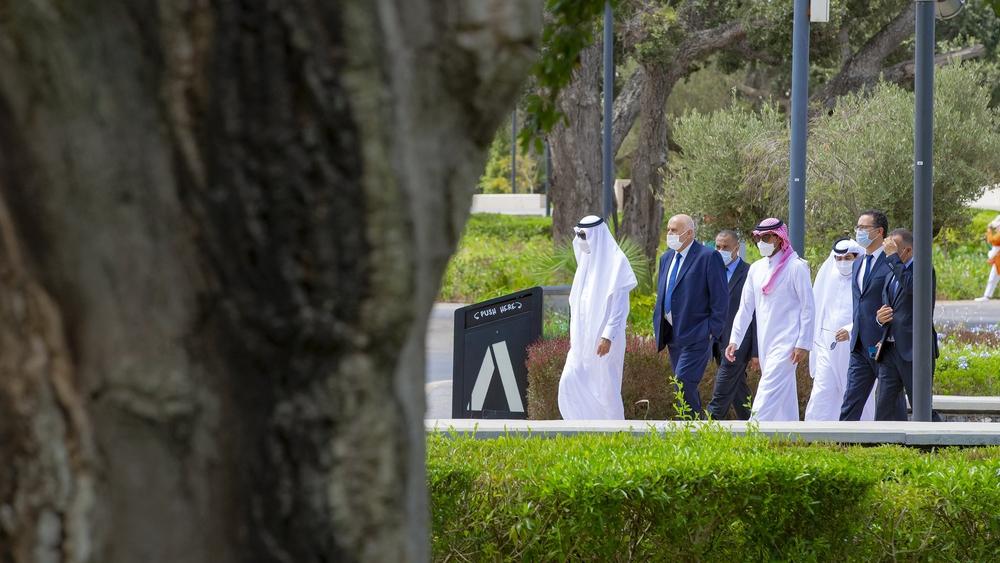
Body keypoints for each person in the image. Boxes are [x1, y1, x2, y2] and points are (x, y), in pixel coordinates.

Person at [726, 218, 814, 421]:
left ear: (778, 238)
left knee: (768, 388)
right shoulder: (756, 269)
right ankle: (790, 438)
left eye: (765, 237)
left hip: (788, 343)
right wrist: (734, 340)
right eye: (758, 238)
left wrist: (803, 343)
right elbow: (746, 308)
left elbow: (808, 308)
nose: (761, 242)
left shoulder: (796, 267)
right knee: (783, 395)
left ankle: (751, 434)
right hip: (766, 340)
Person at [558, 215, 638, 419]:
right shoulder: (585, 262)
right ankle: (579, 426)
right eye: (578, 235)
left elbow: (620, 308)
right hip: (582, 339)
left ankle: (614, 430)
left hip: (604, 340)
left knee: (605, 388)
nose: (580, 240)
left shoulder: (617, 262)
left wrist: (607, 337)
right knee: (571, 378)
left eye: (584, 236)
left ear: (596, 235)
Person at [653, 214, 728, 418]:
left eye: (674, 230)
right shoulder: (666, 258)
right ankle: (697, 427)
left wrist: (711, 331)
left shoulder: (707, 257)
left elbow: (721, 299)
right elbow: (663, 293)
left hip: (697, 335)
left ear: (689, 233)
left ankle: (694, 428)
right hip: (673, 335)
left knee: (683, 382)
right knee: (683, 386)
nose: (669, 234)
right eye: (668, 229)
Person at [804, 238, 877, 421]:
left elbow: (870, 311)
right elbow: (818, 308)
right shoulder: (828, 276)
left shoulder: (863, 277)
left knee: (855, 393)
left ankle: (860, 438)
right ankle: (815, 436)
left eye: (848, 257)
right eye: (839, 258)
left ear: (857, 256)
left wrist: (851, 329)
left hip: (855, 346)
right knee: (822, 392)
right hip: (827, 346)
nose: (843, 262)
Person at [874, 229, 941, 421]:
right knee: (884, 405)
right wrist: (880, 318)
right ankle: (880, 447)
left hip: (915, 350)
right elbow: (889, 307)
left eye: (894, 249)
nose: (889, 253)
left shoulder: (923, 270)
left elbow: (912, 288)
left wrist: (894, 258)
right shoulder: (892, 273)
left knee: (921, 407)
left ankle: (938, 442)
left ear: (908, 250)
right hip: (890, 349)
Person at [839, 210, 894, 421]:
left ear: (879, 231)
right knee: (851, 399)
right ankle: (842, 444)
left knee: (889, 402)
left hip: (883, 344)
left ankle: (891, 445)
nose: (858, 232)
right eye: (858, 228)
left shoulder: (890, 262)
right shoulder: (858, 263)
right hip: (859, 345)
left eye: (864, 228)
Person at [706, 230, 758, 420]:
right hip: (717, 341)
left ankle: (705, 432)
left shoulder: (749, 272)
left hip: (739, 342)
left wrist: (755, 351)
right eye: (717, 247)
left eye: (725, 247)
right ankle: (751, 424)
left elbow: (755, 314)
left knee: (721, 391)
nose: (720, 250)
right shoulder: (710, 270)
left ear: (737, 248)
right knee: (738, 390)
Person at [974, 214, 1000, 301]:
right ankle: (987, 296)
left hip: (998, 262)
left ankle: (987, 296)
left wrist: (989, 230)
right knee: (992, 278)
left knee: (992, 278)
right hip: (997, 261)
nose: (996, 228)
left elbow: (993, 240)